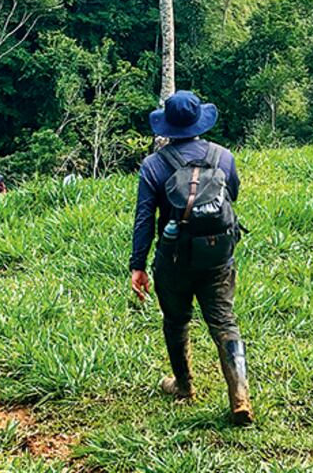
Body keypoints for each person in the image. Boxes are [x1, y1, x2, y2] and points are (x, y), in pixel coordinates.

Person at [129, 90, 253, 426]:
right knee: (225, 321)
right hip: (217, 256)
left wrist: (137, 265)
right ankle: (240, 395)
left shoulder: (153, 165)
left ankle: (184, 387)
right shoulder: (223, 156)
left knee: (176, 321)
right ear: (200, 121)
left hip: (173, 261)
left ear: (166, 127)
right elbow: (233, 194)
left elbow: (144, 219)